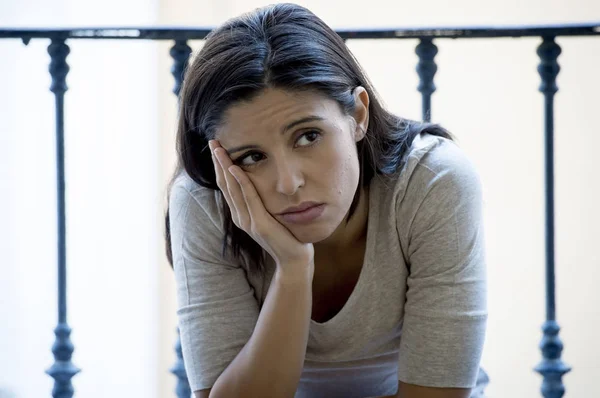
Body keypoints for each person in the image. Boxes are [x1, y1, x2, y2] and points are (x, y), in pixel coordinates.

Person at [164, 3, 489, 398]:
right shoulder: (205, 202)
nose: (289, 183)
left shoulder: (433, 181)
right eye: (252, 157)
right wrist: (294, 269)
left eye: (308, 136)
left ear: (359, 114)